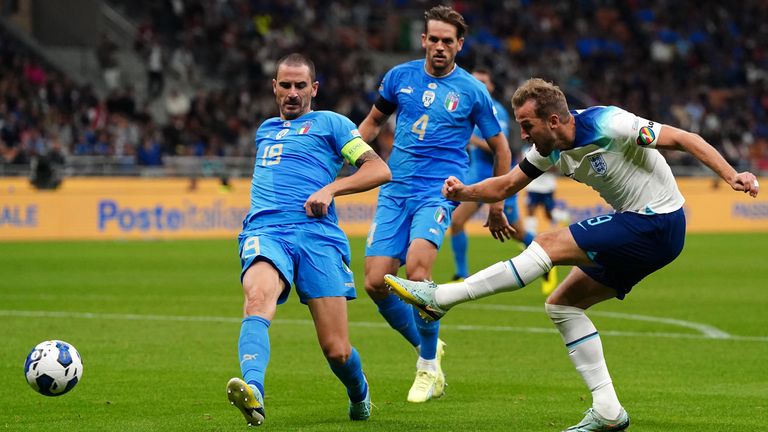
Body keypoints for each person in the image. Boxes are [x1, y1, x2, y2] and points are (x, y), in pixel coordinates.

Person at [384, 78, 759, 430]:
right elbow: (508, 183)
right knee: (562, 304)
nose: (524, 135)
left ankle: (441, 298)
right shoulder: (549, 151)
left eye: (527, 125)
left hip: (657, 220)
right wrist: (464, 193)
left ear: (552, 120)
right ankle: (608, 410)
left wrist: (732, 176)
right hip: (643, 229)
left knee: (547, 244)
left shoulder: (611, 123)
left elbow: (684, 138)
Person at [357, 5, 514, 403]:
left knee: (419, 269)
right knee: (376, 282)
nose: (440, 47)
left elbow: (502, 150)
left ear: (459, 45)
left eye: (448, 41)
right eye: (434, 39)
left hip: (437, 193)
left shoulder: (473, 92)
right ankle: (427, 346)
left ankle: (428, 369)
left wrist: (496, 204)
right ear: (423, 39)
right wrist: (351, 154)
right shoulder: (399, 77)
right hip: (395, 188)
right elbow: (374, 123)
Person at [226, 53, 391, 427]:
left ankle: (359, 391)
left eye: (301, 86)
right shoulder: (265, 129)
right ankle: (254, 393)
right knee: (256, 301)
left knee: (336, 351)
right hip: (265, 232)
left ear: (314, 89)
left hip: (317, 238)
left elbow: (379, 169)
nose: (293, 93)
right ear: (274, 87)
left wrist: (331, 189)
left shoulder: (332, 124)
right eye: (285, 85)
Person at [450, 68, 535, 282]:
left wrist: (472, 139)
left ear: (491, 86)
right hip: (475, 176)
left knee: (516, 231)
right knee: (457, 221)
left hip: (498, 177)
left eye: (483, 81)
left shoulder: (495, 111)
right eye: (474, 80)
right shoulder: (465, 109)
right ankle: (462, 273)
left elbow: (500, 149)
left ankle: (546, 255)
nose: (478, 84)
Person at [522, 162, 561, 294]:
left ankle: (560, 222)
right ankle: (530, 240)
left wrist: (541, 166)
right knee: (530, 211)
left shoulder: (553, 151)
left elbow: (556, 167)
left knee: (548, 214)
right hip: (533, 187)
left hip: (547, 187)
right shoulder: (527, 150)